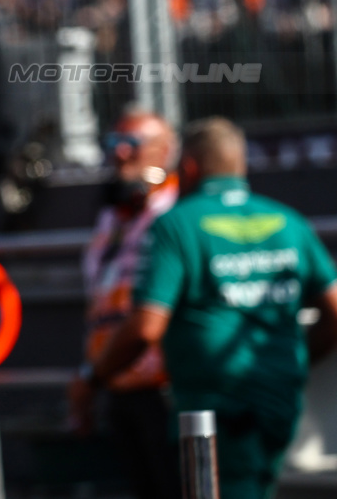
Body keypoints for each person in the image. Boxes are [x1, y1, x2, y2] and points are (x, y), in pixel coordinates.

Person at [83, 117, 337, 499]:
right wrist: (296, 359)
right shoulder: (288, 221)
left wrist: (93, 380)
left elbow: (146, 327)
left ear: (188, 167)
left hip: (212, 404)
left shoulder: (177, 224)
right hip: (279, 397)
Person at [70, 108, 181, 499]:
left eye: (131, 144)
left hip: (165, 391)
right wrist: (93, 376)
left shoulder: (176, 215)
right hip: (115, 382)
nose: (119, 154)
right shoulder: (113, 217)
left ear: (164, 151)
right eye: (113, 144)